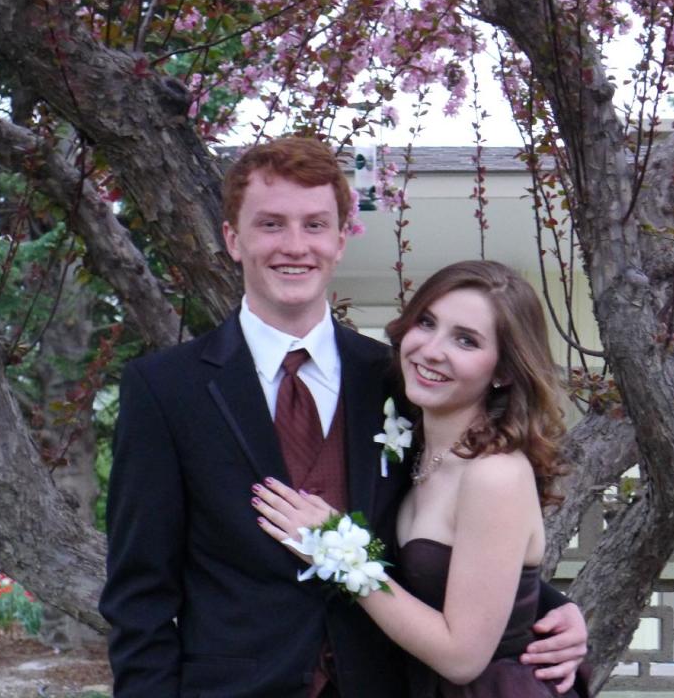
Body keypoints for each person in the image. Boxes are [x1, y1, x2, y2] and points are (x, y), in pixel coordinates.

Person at [99, 137, 588, 698]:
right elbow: (139, 597)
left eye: (314, 225)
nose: (295, 246)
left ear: (339, 239)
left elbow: (447, 536)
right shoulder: (165, 390)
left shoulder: (395, 378)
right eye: (271, 225)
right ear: (233, 240)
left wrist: (555, 612)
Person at [255, 260, 592, 697]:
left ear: (505, 371)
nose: (432, 350)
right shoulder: (414, 451)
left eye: (466, 340)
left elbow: (462, 658)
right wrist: (560, 605)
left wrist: (337, 551)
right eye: (427, 322)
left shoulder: (495, 475)